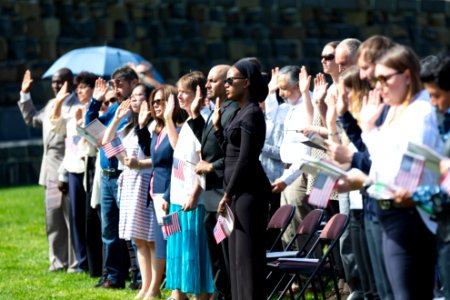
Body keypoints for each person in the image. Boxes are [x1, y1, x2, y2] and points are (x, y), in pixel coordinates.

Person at [359, 44, 441, 300]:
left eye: (385, 78)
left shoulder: (421, 112)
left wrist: (368, 134)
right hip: (394, 212)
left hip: (410, 213)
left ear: (406, 76)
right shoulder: (399, 110)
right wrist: (369, 128)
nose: (379, 86)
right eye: (376, 79)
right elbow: (381, 164)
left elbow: (401, 172)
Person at [213, 58, 271, 299]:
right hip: (237, 193)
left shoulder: (252, 114)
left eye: (230, 80)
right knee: (236, 261)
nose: (226, 85)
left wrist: (227, 194)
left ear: (246, 83)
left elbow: (246, 159)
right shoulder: (240, 112)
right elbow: (230, 152)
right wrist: (218, 128)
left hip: (248, 194)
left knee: (247, 261)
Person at [18, 68, 78, 273]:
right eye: (53, 82)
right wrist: (25, 94)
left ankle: (74, 262)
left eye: (60, 81)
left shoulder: (76, 107)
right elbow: (32, 119)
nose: (56, 85)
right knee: (54, 219)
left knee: (70, 219)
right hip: (50, 171)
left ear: (71, 82)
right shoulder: (51, 104)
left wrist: (64, 172)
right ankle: (57, 261)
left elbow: (73, 143)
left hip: (68, 169)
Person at [85, 66, 139, 289]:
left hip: (125, 175)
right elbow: (91, 128)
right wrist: (95, 102)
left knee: (133, 230)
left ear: (133, 83)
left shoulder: (137, 110)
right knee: (109, 230)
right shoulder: (115, 107)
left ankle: (139, 277)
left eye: (120, 84)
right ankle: (113, 277)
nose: (116, 88)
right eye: (114, 84)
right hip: (107, 177)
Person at [187, 64, 238, 300]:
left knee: (226, 257)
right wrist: (196, 116)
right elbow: (208, 145)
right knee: (215, 255)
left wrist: (212, 166)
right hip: (210, 194)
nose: (206, 85)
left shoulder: (232, 109)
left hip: (223, 192)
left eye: (212, 81)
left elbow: (234, 153)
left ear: (226, 82)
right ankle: (220, 295)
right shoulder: (214, 108)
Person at [102, 83, 155, 299]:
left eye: (139, 96)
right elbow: (106, 141)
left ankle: (152, 286)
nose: (133, 100)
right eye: (131, 96)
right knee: (138, 239)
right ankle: (145, 286)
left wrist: (138, 164)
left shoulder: (153, 127)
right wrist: (115, 118)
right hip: (130, 184)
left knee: (150, 238)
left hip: (146, 184)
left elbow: (158, 157)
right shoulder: (129, 128)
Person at [165, 71, 214, 300]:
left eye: (183, 92)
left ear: (197, 94)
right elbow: (179, 153)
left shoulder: (201, 122)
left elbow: (203, 161)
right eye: (179, 92)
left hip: (191, 200)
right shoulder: (186, 123)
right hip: (176, 197)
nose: (179, 96)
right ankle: (178, 295)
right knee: (176, 248)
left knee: (192, 251)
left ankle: (200, 296)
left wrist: (195, 193)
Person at [49, 71, 99, 274]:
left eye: (84, 87)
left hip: (90, 167)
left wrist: (83, 124)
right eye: (77, 88)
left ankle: (94, 259)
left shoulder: (96, 111)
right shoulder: (74, 112)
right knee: (77, 217)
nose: (79, 91)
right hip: (73, 168)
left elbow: (97, 141)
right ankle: (81, 260)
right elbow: (58, 128)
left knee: (90, 217)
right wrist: (59, 102)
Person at [142, 84, 188, 299]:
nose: (156, 105)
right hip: (156, 194)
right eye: (154, 101)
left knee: (172, 242)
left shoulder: (177, 129)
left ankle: (176, 291)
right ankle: (161, 289)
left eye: (161, 101)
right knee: (162, 242)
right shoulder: (157, 130)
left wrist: (169, 195)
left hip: (169, 194)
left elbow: (176, 165)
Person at [270, 65, 314, 247]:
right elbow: (270, 117)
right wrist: (270, 90)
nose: (280, 93)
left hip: (299, 174)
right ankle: (295, 276)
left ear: (298, 85)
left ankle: (308, 274)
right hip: (287, 172)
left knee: (299, 227)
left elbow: (306, 152)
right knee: (287, 230)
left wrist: (287, 178)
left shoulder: (307, 106)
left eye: (284, 88)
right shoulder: (290, 107)